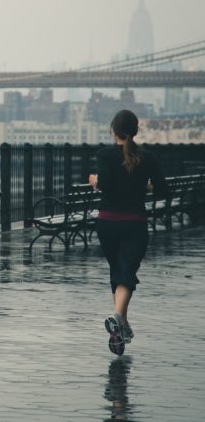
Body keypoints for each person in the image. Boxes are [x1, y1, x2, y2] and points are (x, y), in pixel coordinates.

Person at [88, 109, 168, 356]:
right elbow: (163, 190)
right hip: (135, 222)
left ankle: (121, 327)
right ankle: (117, 318)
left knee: (118, 271)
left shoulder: (105, 154)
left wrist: (95, 180)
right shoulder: (148, 157)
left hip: (108, 222)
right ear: (136, 130)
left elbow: (108, 183)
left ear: (114, 130)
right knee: (126, 272)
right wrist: (145, 184)